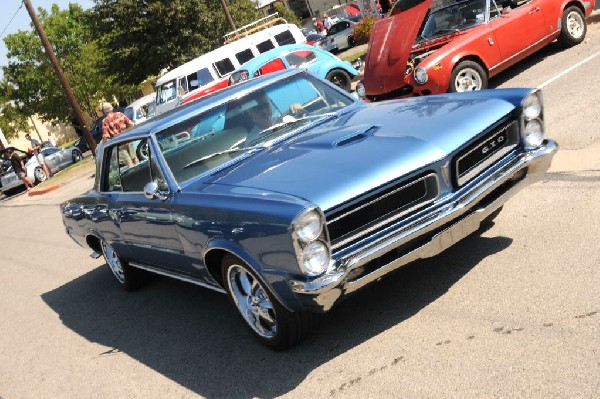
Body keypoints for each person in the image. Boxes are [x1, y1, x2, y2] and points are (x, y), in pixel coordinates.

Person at [101, 102, 139, 167]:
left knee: (128, 162)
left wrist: (104, 147)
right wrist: (126, 133)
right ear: (111, 108)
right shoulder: (120, 114)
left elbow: (105, 136)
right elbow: (131, 124)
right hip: (128, 139)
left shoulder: (105, 121)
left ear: (104, 111)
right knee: (135, 158)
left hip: (119, 143)